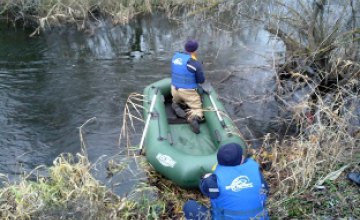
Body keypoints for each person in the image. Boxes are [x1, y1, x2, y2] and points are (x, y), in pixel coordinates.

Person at [183, 143, 269, 220]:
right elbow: (265, 190)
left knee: (189, 206)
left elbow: (204, 188)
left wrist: (206, 178)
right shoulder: (256, 173)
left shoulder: (213, 181)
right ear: (241, 159)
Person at [171, 39, 205, 134]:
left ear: (185, 48)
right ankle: (193, 118)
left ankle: (175, 104)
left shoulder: (175, 57)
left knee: (176, 100)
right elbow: (201, 80)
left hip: (174, 89)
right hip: (188, 93)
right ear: (196, 50)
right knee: (198, 110)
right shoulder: (195, 64)